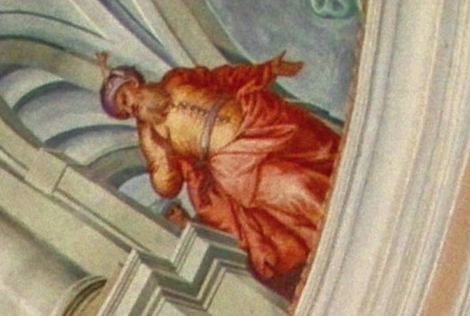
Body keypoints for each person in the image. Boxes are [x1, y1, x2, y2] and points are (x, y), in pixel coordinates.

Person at [97, 56, 342, 295]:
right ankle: (341, 237)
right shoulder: (152, 135)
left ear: (133, 83)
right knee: (298, 190)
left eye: (124, 99)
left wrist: (268, 70)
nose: (131, 109)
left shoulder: (176, 79)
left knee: (323, 154)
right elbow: (166, 186)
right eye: (125, 111)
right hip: (236, 165)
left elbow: (222, 78)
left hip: (261, 122)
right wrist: (153, 143)